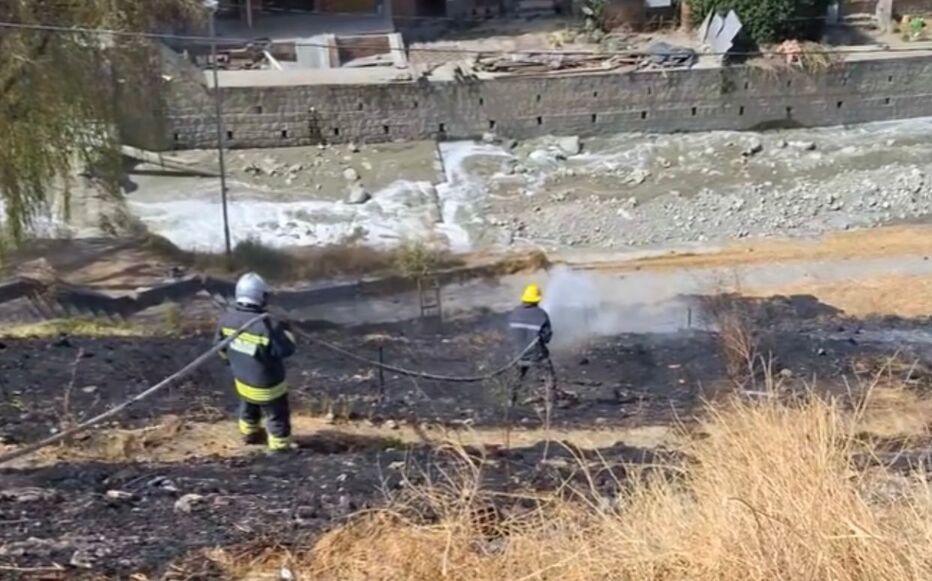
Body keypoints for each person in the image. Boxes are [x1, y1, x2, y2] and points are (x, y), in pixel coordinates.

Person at [216, 272, 297, 453]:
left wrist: (233, 363)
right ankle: (280, 447)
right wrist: (286, 331)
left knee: (248, 407)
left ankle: (249, 434)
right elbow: (286, 350)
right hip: (269, 386)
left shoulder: (226, 319)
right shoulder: (268, 326)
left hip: (243, 381)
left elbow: (220, 349)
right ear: (262, 297)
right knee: (277, 415)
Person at [507, 283, 557, 408]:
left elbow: (511, 334)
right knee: (549, 377)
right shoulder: (541, 314)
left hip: (518, 354)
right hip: (537, 354)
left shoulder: (514, 313)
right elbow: (547, 338)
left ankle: (510, 401)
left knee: (516, 378)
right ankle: (550, 403)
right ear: (537, 300)